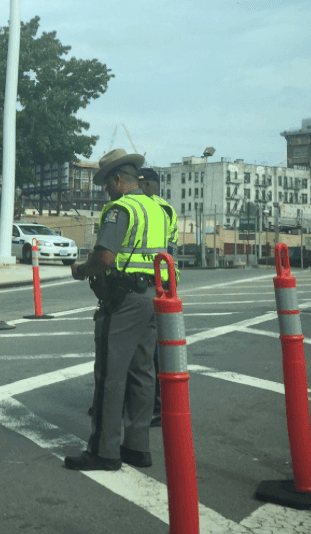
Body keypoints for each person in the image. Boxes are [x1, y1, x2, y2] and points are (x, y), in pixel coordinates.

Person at [65, 149, 169, 471]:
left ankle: (104, 451)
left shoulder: (120, 209)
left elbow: (106, 258)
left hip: (124, 299)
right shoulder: (158, 209)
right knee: (142, 373)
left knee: (110, 374)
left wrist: (82, 270)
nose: (106, 191)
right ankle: (137, 447)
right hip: (154, 296)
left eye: (107, 184)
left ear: (119, 179)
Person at [138, 167, 176, 428]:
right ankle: (159, 402)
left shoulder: (150, 208)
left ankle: (157, 403)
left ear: (148, 185)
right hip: (166, 280)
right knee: (157, 344)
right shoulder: (167, 209)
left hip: (152, 281)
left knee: (151, 347)